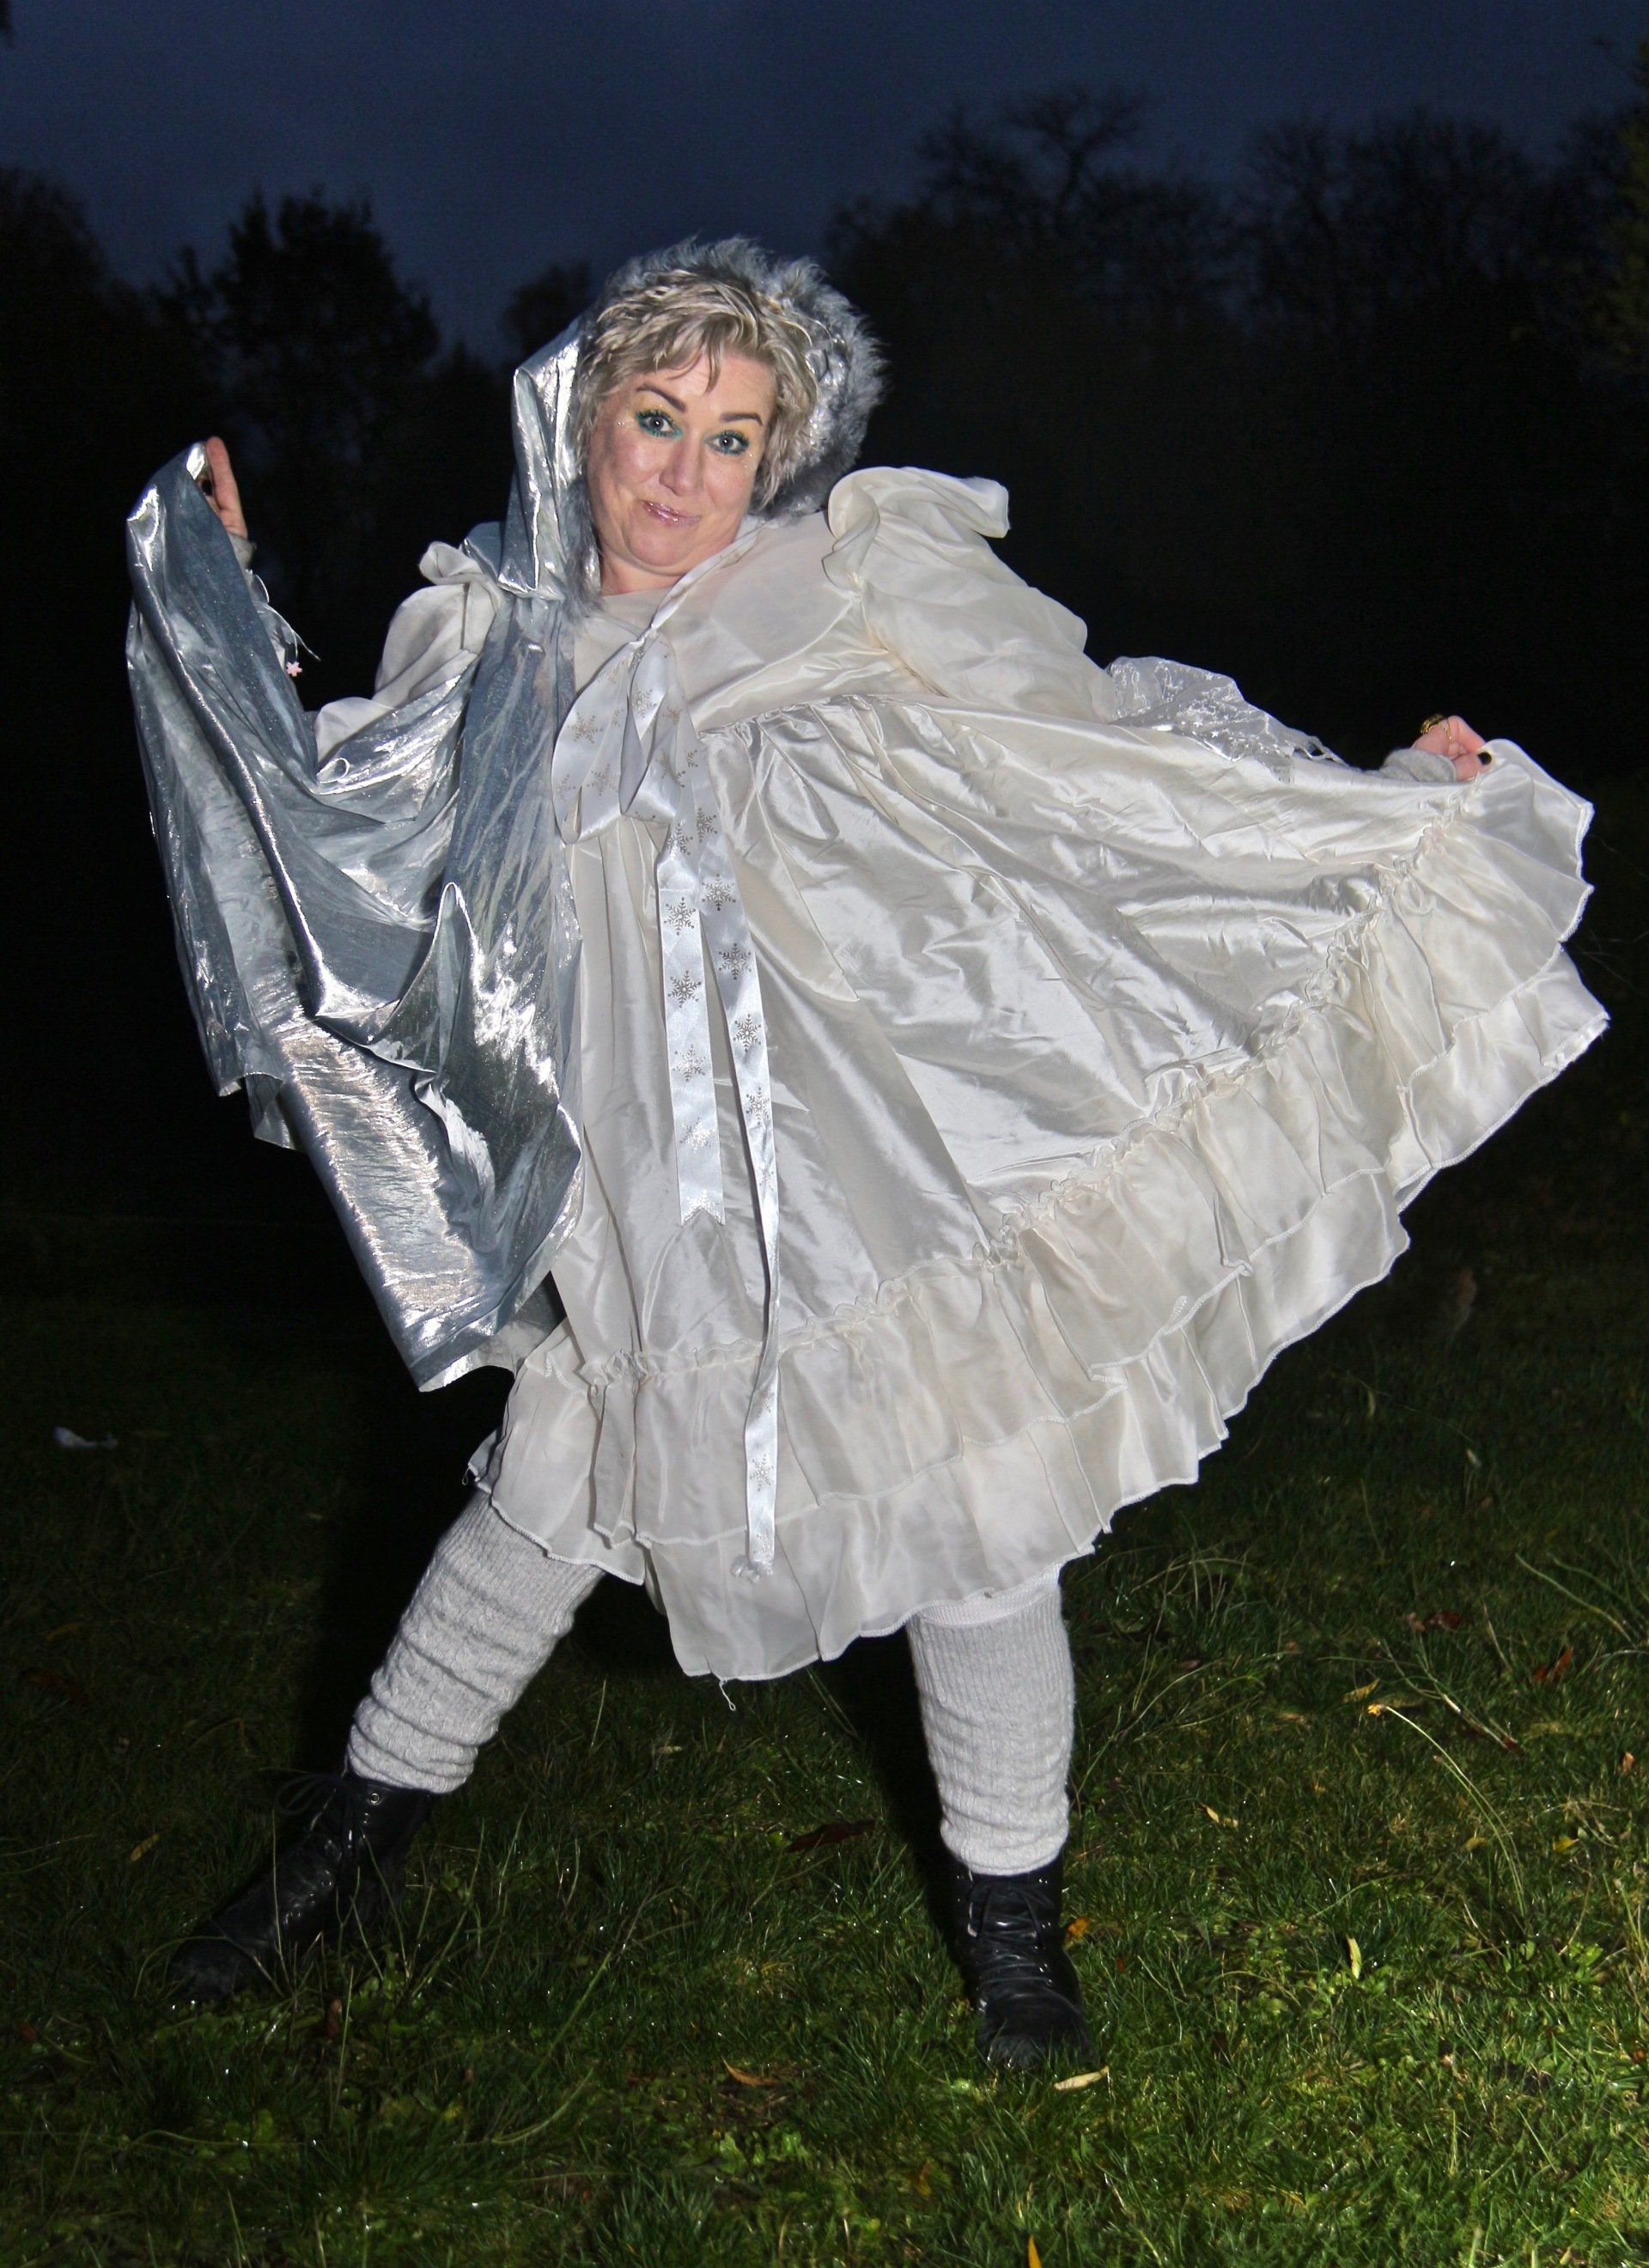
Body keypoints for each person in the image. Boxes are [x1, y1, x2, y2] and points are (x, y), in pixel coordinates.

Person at [127, 239, 1604, 2070]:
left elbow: (1100, 742)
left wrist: (1360, 795)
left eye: (732, 441)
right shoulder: (481, 641)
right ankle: (332, 1864)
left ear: (776, 465)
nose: (681, 472)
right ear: (582, 417)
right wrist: (221, 598)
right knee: (546, 1489)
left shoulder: (846, 581)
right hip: (635, 1181)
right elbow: (334, 858)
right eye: (654, 420)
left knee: (972, 1515)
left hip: (866, 1154)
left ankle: (1016, 1939)